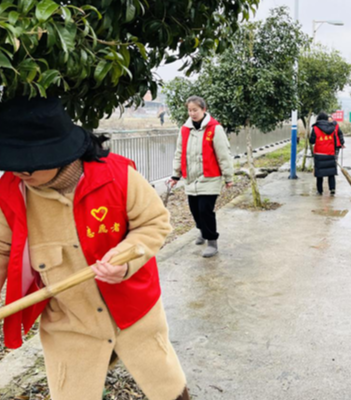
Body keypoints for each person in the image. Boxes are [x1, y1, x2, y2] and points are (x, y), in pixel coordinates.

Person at [0, 97, 189, 400]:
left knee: (167, 387)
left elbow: (155, 223)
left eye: (29, 163)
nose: (21, 173)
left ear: (60, 152)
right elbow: (1, 249)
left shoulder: (118, 175)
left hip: (133, 308)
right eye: (13, 163)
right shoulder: (11, 191)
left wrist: (126, 259)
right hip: (69, 318)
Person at [169, 96, 234, 258]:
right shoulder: (184, 130)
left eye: (195, 110)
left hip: (210, 177)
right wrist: (175, 175)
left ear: (204, 110)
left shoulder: (215, 128)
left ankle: (212, 241)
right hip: (191, 178)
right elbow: (179, 153)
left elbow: (223, 154)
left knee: (205, 210)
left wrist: (228, 177)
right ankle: (203, 232)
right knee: (195, 210)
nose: (192, 113)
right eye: (190, 110)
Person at [310, 112, 343, 195]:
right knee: (331, 172)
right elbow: (335, 141)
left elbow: (312, 141)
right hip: (330, 152)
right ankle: (332, 189)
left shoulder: (315, 128)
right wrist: (335, 151)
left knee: (319, 173)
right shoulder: (332, 127)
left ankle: (320, 190)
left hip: (319, 153)